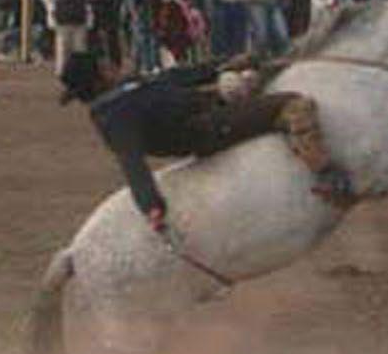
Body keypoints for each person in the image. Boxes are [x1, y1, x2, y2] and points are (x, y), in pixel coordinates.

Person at [58, 52, 347, 231]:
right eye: (105, 65)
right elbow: (132, 163)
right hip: (209, 129)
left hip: (208, 108)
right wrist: (152, 206)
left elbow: (178, 77)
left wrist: (224, 63)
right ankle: (327, 175)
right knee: (294, 105)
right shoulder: (116, 118)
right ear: (98, 81)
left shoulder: (124, 92)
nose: (112, 64)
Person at [51, 0, 90, 76]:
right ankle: (62, 71)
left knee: (80, 49)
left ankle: (79, 72)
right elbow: (52, 4)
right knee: (63, 50)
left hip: (79, 22)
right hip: (63, 23)